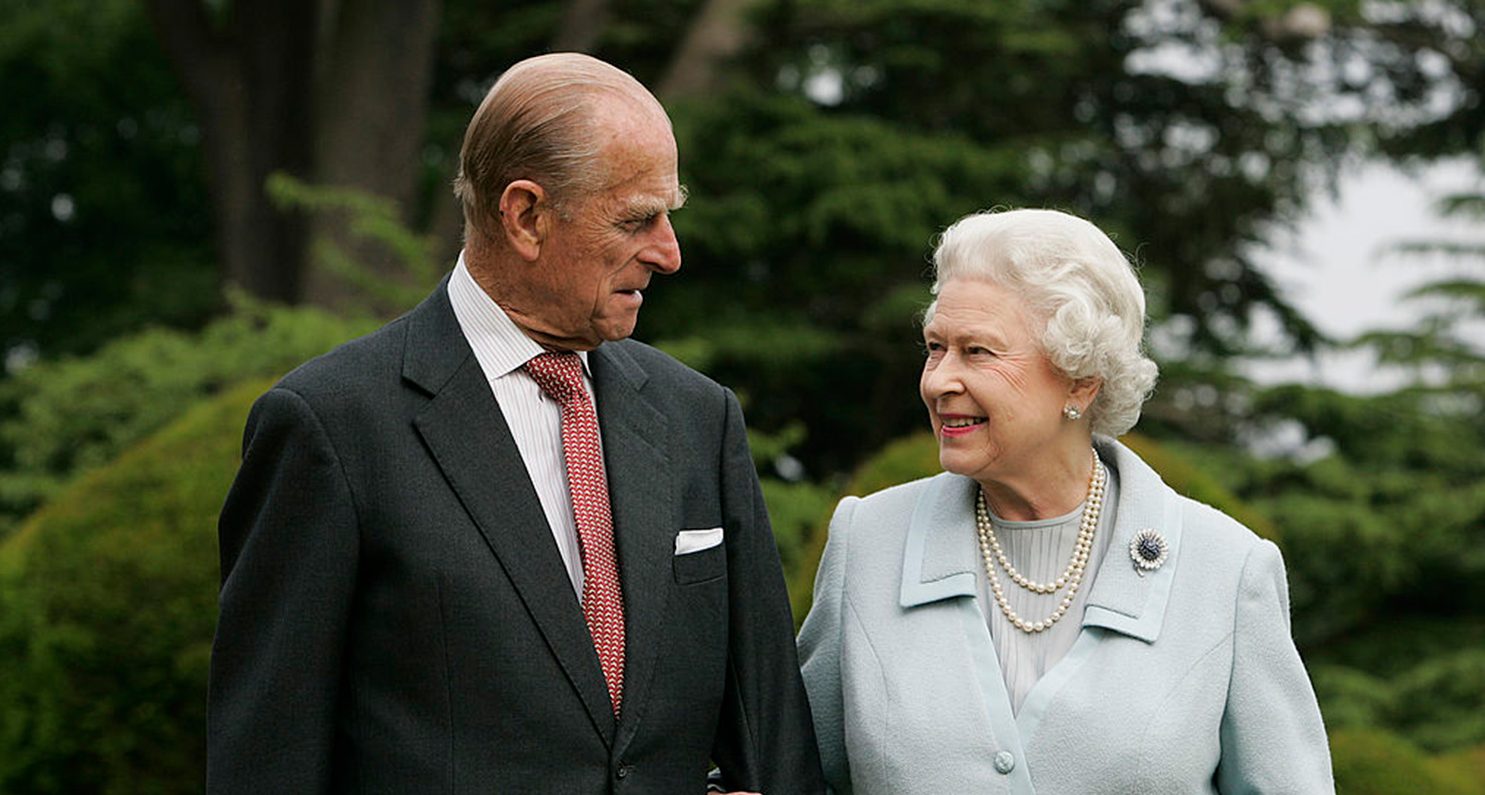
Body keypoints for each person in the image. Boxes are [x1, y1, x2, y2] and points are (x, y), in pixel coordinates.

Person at [208, 53, 823, 794]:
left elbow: (773, 737)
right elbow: (266, 759)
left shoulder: (699, 417)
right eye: (636, 218)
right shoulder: (330, 427)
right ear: (525, 215)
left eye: (670, 215)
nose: (669, 252)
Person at [797, 208, 1333, 793]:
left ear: (1080, 379)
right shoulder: (868, 542)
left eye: (977, 351)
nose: (937, 381)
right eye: (935, 347)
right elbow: (788, 772)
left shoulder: (1226, 571)